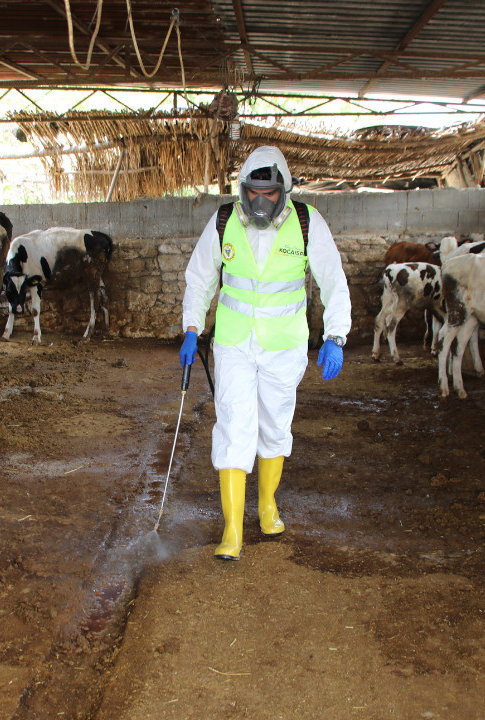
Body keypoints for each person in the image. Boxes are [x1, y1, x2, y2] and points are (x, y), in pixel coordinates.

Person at [179, 145, 351, 561]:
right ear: (242, 189)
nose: (260, 201)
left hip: (284, 345)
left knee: (275, 426)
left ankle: (267, 504)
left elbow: (332, 279)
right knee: (235, 426)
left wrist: (336, 334)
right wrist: (191, 326)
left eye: (269, 194)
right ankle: (233, 530)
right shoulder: (223, 221)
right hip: (235, 343)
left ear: (284, 190)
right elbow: (201, 276)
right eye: (253, 192)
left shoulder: (307, 223)